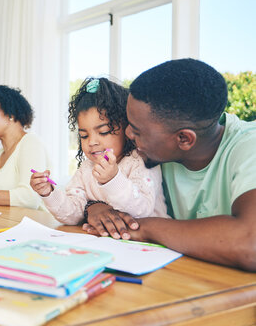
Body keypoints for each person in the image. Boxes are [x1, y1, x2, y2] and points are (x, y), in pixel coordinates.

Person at [82, 59, 256, 271]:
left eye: (137, 131)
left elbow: (250, 245)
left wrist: (146, 228)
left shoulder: (248, 148)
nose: (127, 134)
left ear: (184, 139)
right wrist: (96, 207)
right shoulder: (151, 151)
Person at [30, 78, 168, 230]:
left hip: (153, 244)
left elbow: (142, 211)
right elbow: (73, 215)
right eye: (84, 135)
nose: (92, 142)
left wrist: (113, 179)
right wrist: (49, 193)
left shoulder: (140, 161)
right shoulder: (86, 169)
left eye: (103, 132)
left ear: (126, 128)